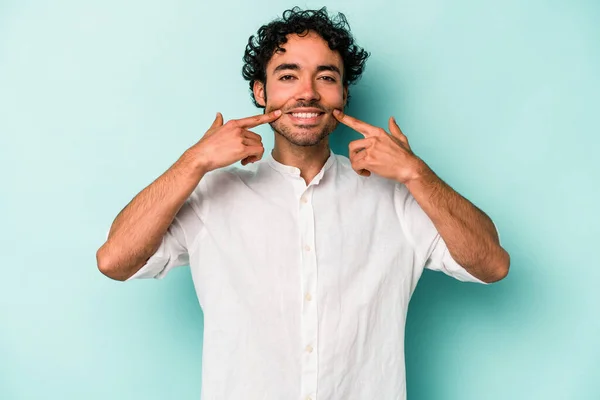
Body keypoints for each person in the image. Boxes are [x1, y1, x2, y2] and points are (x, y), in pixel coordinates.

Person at [96, 7, 509, 400]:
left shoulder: (396, 197)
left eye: (325, 78)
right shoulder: (211, 196)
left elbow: (492, 265)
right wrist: (195, 160)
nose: (307, 94)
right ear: (261, 91)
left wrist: (416, 173)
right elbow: (115, 260)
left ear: (343, 94)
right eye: (288, 76)